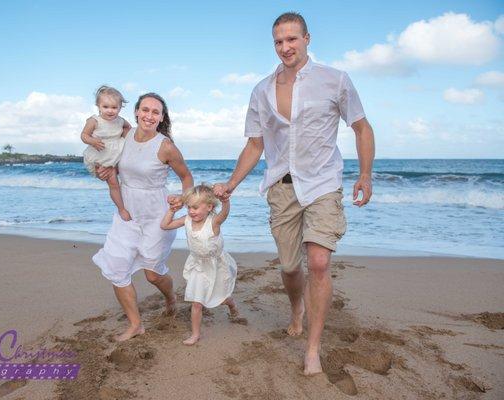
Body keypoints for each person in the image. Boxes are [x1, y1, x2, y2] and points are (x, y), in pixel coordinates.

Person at [214, 12, 375, 375]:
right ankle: (296, 308)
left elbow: (362, 128)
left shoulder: (336, 81)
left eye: (292, 39)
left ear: (307, 39)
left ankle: (313, 349)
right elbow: (254, 145)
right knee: (289, 268)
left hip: (322, 185)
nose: (285, 47)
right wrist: (231, 184)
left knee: (318, 262)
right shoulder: (261, 90)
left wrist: (365, 174)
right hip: (281, 189)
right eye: (278, 41)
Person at [92, 92, 193, 341]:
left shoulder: (166, 146)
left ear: (161, 118)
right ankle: (135, 324)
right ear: (136, 112)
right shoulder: (121, 136)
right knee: (116, 268)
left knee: (153, 273)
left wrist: (184, 199)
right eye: (145, 110)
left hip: (156, 215)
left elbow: (186, 178)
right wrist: (103, 172)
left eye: (155, 112)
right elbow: (108, 163)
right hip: (126, 212)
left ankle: (170, 297)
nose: (149, 115)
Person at [160, 184, 238, 345]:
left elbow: (224, 213)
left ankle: (231, 304)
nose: (191, 211)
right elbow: (165, 225)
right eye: (189, 207)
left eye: (195, 207)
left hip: (215, 266)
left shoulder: (214, 222)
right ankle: (195, 334)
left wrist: (225, 201)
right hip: (198, 265)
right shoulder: (187, 220)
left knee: (221, 298)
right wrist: (172, 210)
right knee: (197, 302)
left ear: (209, 207)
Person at [80, 85, 133, 221]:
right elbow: (84, 135)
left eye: (114, 107)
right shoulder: (94, 120)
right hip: (100, 154)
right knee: (113, 183)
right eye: (106, 107)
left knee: (125, 179)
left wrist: (125, 136)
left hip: (115, 153)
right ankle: (121, 209)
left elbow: (128, 127)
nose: (110, 111)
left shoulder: (120, 121)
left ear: (120, 108)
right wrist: (92, 141)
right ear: (98, 106)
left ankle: (129, 202)